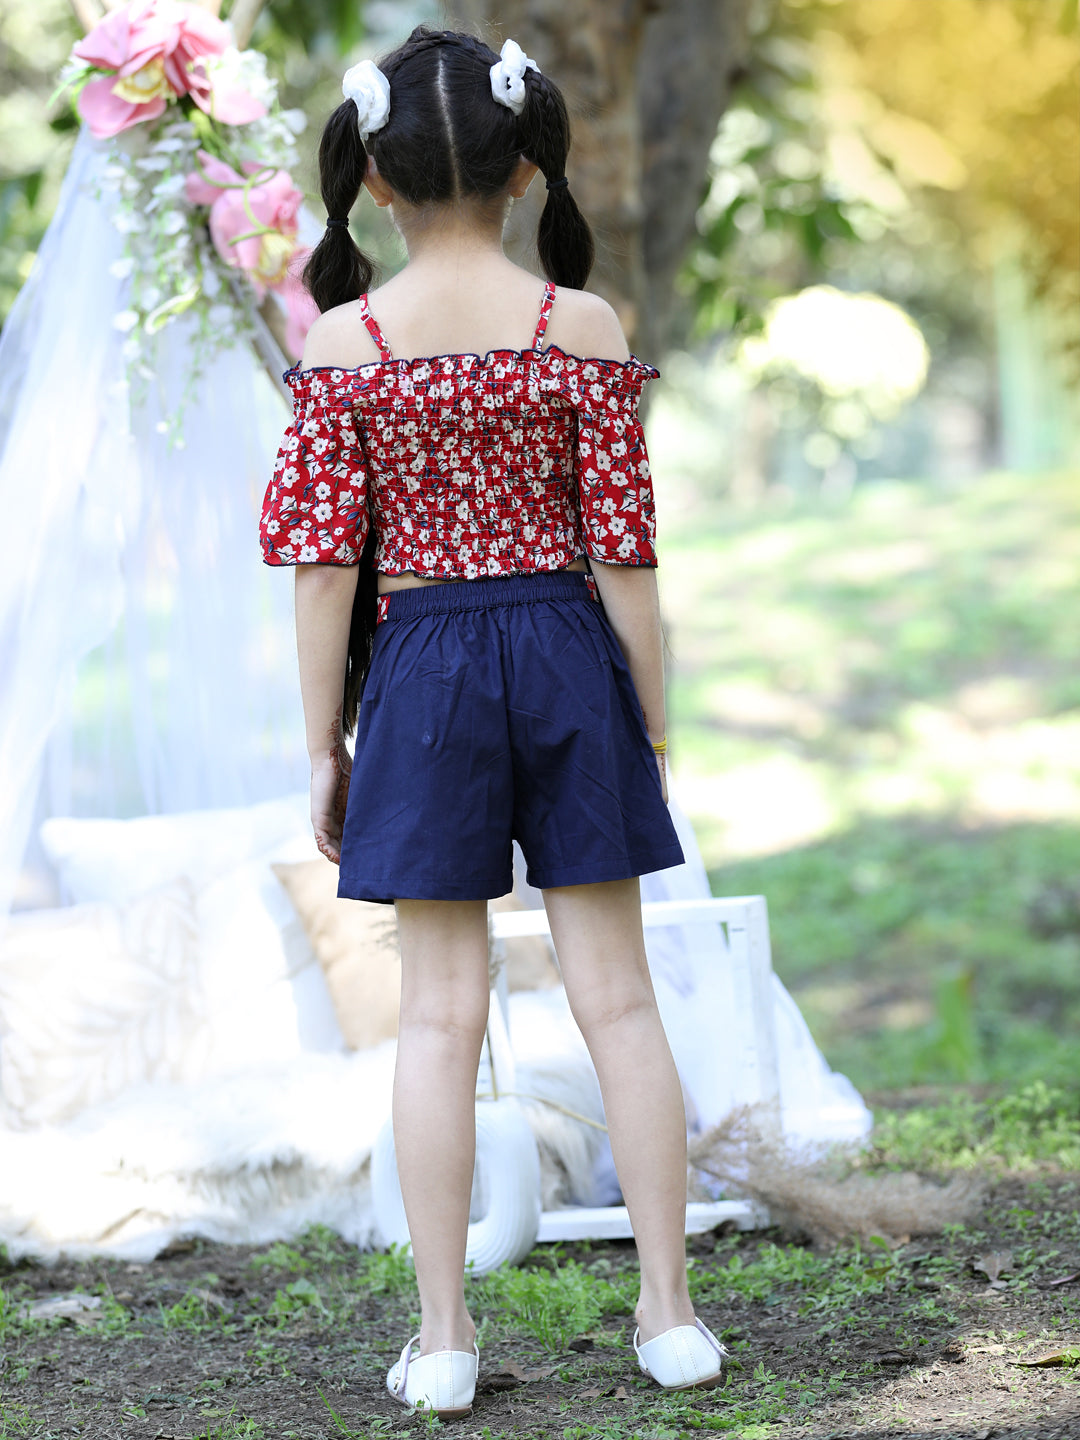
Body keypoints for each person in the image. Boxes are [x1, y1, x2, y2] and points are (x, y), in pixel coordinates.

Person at [260, 25, 728, 1420]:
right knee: (621, 1001)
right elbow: (627, 553)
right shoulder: (579, 327)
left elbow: (323, 565)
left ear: (380, 185)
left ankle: (447, 1335)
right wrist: (649, 718)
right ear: (526, 169)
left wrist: (320, 744)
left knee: (437, 1022)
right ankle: (668, 1314)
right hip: (567, 655)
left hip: (425, 670)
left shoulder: (346, 342)